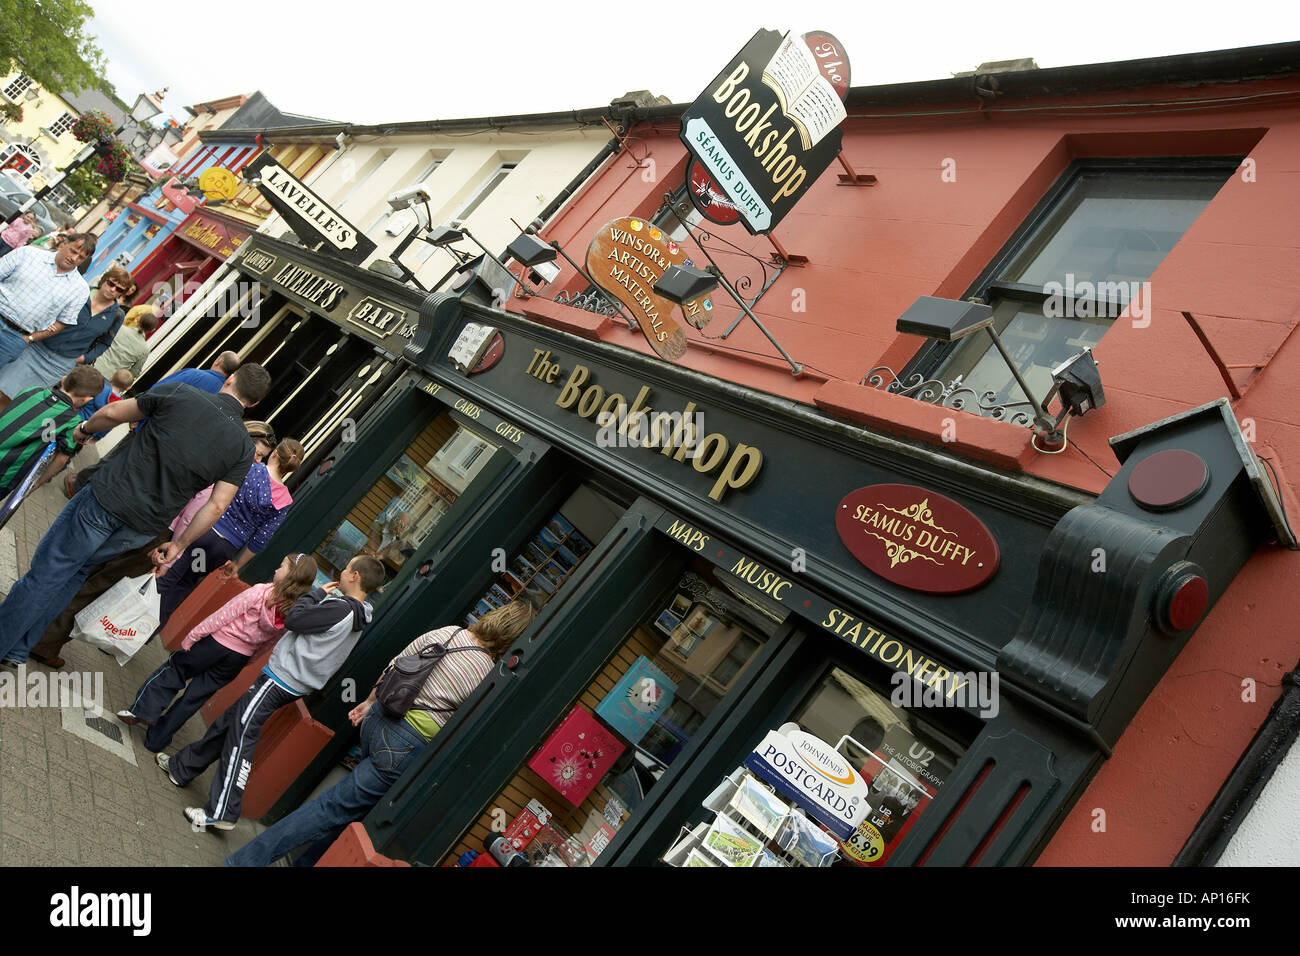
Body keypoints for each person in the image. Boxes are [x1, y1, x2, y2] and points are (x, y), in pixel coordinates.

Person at [225, 599, 535, 866]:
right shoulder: (487, 673)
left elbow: (396, 665)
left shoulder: (449, 632)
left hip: (378, 722)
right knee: (331, 807)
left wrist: (369, 702)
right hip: (403, 747)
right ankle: (245, 861)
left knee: (354, 811)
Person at [0, 363, 272, 667]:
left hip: (107, 499)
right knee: (74, 574)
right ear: (254, 403)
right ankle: (18, 650)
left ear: (230, 379)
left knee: (48, 573)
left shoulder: (182, 393)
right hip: (143, 526)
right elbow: (218, 505)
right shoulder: (242, 448)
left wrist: (83, 430)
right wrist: (179, 546)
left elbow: (114, 413)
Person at [159, 554, 384, 832]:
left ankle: (222, 810)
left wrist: (314, 595)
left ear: (355, 577)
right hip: (291, 679)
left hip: (283, 678)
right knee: (232, 721)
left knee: (242, 733)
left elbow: (296, 620)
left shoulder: (342, 608)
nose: (343, 570)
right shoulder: (357, 613)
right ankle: (183, 767)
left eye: (348, 567)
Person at [119, 552, 319, 752]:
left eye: (282, 566)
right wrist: (249, 660)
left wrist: (195, 634)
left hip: (214, 644)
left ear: (291, 575)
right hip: (237, 660)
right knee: (194, 698)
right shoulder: (288, 614)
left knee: (176, 669)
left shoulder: (260, 592)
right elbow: (268, 643)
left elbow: (224, 614)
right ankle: (156, 740)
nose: (276, 569)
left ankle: (144, 711)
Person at [154, 437, 304, 627]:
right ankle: (147, 634)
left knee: (169, 576)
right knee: (184, 585)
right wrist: (237, 564)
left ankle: (128, 628)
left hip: (206, 530)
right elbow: (261, 538)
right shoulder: (285, 501)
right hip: (224, 549)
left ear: (274, 454)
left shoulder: (250, 469)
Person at [64, 350, 242, 499]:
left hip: (152, 426)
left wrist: (138, 416)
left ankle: (78, 486)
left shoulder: (195, 375)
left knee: (116, 458)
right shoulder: (222, 396)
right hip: (174, 445)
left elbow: (158, 391)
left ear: (218, 360)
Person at [0, 266, 130, 405]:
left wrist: (85, 358)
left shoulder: (117, 314)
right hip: (38, 348)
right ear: (104, 280)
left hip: (61, 364)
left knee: (22, 400)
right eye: (111, 283)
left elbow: (105, 342)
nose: (112, 289)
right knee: (3, 386)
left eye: (119, 289)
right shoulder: (81, 293)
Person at [0, 365, 104, 499]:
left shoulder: (33, 390)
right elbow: (61, 459)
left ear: (63, 380)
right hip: (6, 472)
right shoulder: (72, 421)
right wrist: (36, 483)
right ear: (87, 399)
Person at [0, 234, 93, 369]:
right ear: (63, 244)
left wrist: (29, 339)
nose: (74, 258)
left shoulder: (80, 289)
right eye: (73, 251)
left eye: (81, 257)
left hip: (15, 338)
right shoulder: (28, 254)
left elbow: (63, 322)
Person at [93, 308, 157, 382]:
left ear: (138, 320)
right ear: (152, 330)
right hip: (107, 379)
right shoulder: (145, 350)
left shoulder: (119, 329)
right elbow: (134, 373)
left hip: (93, 365)